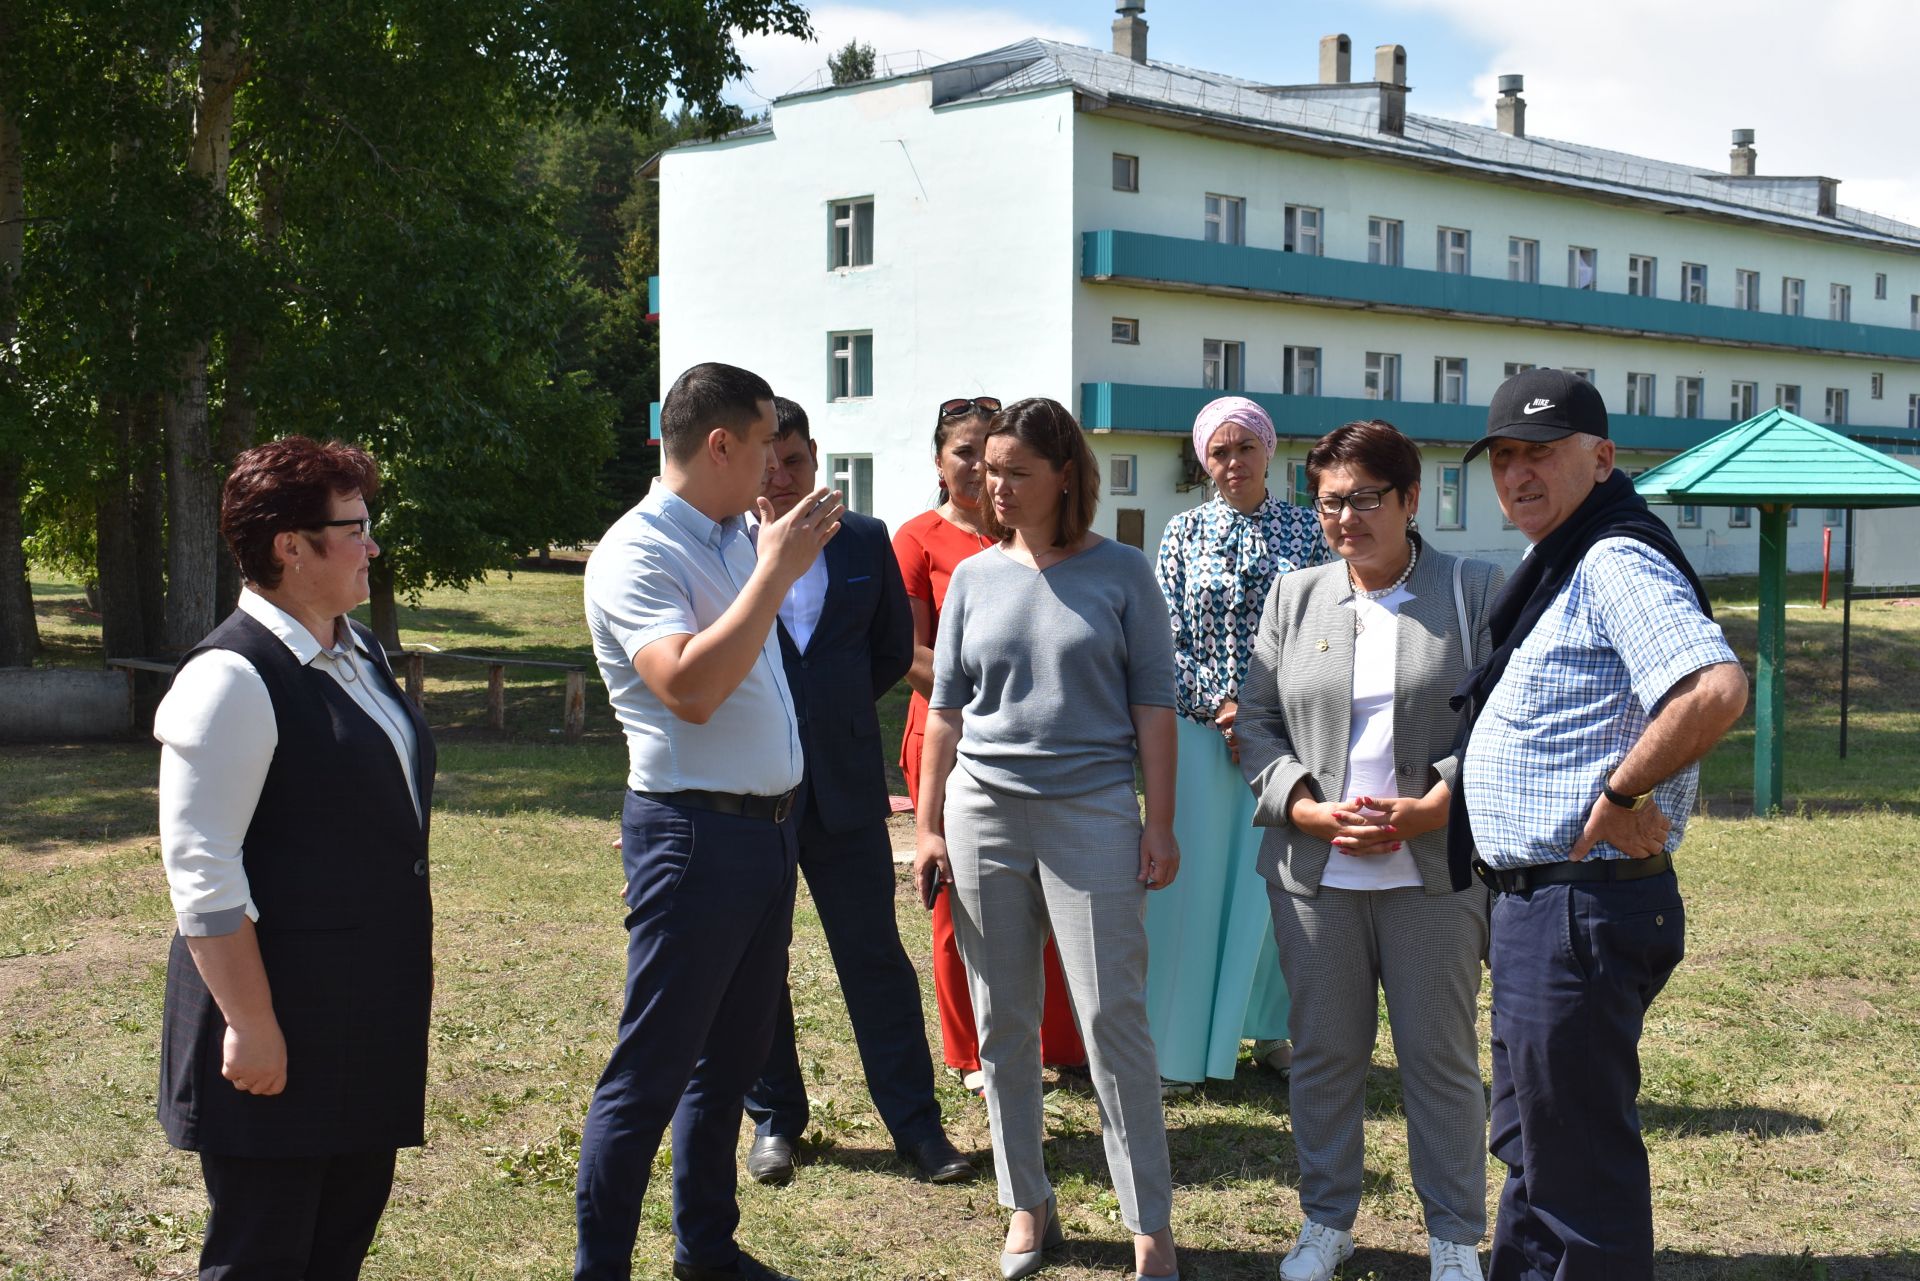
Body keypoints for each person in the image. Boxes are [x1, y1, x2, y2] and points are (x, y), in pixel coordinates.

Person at [1450, 369, 1748, 1281]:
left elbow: (1714, 687)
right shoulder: (1567, 561)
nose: (1518, 474)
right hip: (1542, 911)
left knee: (1578, 1179)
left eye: (1541, 452)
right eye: (1503, 457)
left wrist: (1620, 796)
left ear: (1603, 457)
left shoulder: (1615, 558)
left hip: (1576, 911)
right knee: (1536, 1158)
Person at [577, 362, 843, 1281]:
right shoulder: (637, 550)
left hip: (765, 832)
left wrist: (765, 558)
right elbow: (686, 687)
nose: (779, 462)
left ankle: (706, 1246)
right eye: (768, 441)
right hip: (694, 837)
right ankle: (601, 1267)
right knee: (649, 1071)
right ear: (721, 443)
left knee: (728, 1061)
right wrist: (775, 568)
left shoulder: (734, 535)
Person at [913, 397, 1181, 1281]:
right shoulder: (978, 577)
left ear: (1066, 474)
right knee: (1002, 1025)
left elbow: (1154, 708)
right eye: (988, 470)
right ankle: (1027, 1205)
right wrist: (927, 826)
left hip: (1094, 812)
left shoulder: (1123, 573)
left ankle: (1150, 1223)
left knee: (1113, 1022)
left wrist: (1161, 820)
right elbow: (945, 715)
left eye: (1016, 472)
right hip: (983, 813)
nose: (997, 487)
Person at [154, 436, 434, 1280]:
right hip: (279, 1021)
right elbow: (202, 874)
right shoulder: (231, 677)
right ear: (289, 546)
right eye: (354, 527)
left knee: (334, 1248)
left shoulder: (357, 652)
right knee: (263, 1257)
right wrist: (251, 1023)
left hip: (359, 1014)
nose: (373, 545)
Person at [1236, 420, 1505, 1281]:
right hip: (1317, 877)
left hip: (1431, 873)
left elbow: (1505, 722)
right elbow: (1259, 722)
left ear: (1411, 499)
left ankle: (1456, 1233)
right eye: (1328, 502)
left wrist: (1439, 801)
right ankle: (1327, 1221)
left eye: (1364, 498)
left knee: (1438, 1055)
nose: (1344, 517)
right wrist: (1300, 805)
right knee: (1322, 1054)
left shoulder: (1472, 589)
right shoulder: (1296, 595)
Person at [741, 397, 974, 1187]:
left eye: (795, 462)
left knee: (875, 958)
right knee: (755, 964)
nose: (779, 478)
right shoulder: (726, 546)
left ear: (817, 461)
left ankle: (917, 1124)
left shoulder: (865, 540)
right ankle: (774, 1119)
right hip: (752, 788)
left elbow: (884, 656)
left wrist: (833, 714)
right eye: (766, 462)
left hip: (843, 786)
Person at [893, 396, 1087, 1093]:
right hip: (948, 735)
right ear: (939, 463)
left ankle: (1063, 1043)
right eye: (965, 452)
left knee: (1055, 892)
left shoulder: (1038, 535)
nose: (980, 468)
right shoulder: (918, 540)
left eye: (993, 453)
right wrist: (975, 695)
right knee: (961, 901)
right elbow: (908, 647)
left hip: (1039, 740)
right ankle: (973, 1050)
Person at [1147, 396, 1326, 1092]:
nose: (1232, 464)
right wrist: (1223, 710)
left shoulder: (1307, 531)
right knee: (1193, 892)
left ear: (1268, 450)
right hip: (1201, 738)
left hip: (1284, 738)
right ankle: (1180, 1045)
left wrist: (1262, 716)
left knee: (1275, 887)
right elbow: (1165, 639)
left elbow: (1322, 630)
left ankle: (1270, 1029)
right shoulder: (1182, 533)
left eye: (1244, 448)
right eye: (1218, 452)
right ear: (1202, 460)